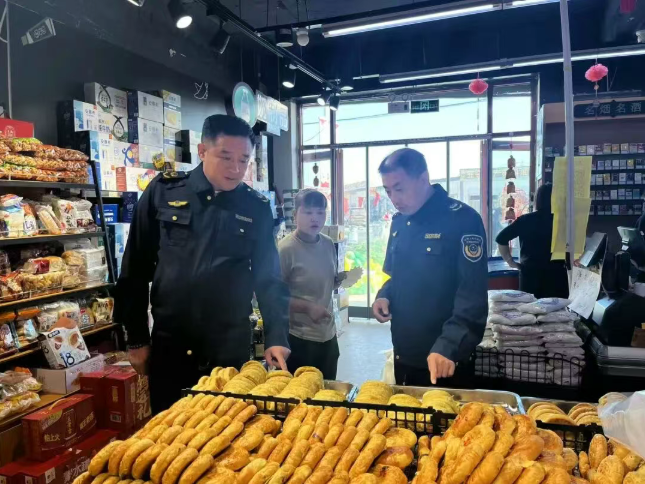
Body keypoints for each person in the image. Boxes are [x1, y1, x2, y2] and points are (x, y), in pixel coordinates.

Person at [115, 114, 291, 412]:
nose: (236, 169)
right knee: (170, 429)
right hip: (171, 343)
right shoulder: (163, 191)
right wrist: (136, 338)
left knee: (226, 427)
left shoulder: (256, 207)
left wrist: (277, 336)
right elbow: (134, 268)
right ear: (202, 151)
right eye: (226, 157)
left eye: (244, 160)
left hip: (228, 345)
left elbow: (269, 278)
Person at [372, 148, 488, 386]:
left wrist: (449, 345)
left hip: (445, 359)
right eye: (388, 191)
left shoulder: (463, 220)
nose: (394, 198)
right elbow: (398, 276)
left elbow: (472, 295)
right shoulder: (399, 222)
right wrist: (384, 295)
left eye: (399, 188)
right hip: (405, 352)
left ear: (423, 179)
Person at [278, 189, 359, 379]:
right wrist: (307, 307)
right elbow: (272, 297)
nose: (315, 218)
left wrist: (337, 281)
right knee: (302, 393)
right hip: (299, 338)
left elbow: (324, 283)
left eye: (320, 212)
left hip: (328, 336)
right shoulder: (285, 249)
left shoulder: (328, 243)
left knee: (328, 389)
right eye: (308, 212)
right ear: (295, 214)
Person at [495, 183, 568, 298]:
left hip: (529, 276)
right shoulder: (564, 222)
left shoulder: (525, 220)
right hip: (557, 277)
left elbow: (501, 238)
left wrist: (510, 262)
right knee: (558, 308)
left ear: (537, 199)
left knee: (529, 308)